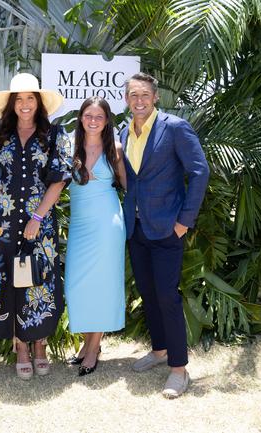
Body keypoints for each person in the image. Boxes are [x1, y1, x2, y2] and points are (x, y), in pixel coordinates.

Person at [0, 73, 72, 380]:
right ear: (12, 104)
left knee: (38, 283)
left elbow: (58, 180)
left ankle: (40, 345)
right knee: (9, 281)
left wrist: (38, 217)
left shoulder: (55, 134)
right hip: (3, 224)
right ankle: (21, 348)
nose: (25, 104)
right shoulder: (1, 136)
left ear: (39, 103)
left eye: (31, 98)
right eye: (20, 99)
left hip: (38, 224)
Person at [121, 72, 209, 398]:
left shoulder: (174, 128)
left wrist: (184, 221)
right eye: (133, 95)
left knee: (167, 296)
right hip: (137, 228)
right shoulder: (124, 131)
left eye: (145, 95)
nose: (139, 101)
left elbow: (200, 171)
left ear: (155, 97)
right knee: (148, 291)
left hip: (167, 229)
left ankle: (178, 369)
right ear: (127, 99)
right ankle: (159, 350)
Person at [64, 96, 127, 376]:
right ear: (80, 118)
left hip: (106, 224)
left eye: (99, 116)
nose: (93, 120)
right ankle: (88, 342)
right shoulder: (70, 148)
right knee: (78, 285)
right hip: (79, 226)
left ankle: (92, 348)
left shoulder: (115, 148)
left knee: (102, 284)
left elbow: (126, 185)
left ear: (107, 121)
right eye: (88, 115)